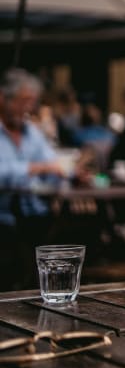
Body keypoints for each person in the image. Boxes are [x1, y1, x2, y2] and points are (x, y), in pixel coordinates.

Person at [0, 69, 66, 289]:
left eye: (31, 103)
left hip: (36, 217)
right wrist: (36, 168)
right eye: (23, 101)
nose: (27, 108)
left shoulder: (31, 132)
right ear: (2, 98)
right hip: (5, 219)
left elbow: (52, 164)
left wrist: (68, 174)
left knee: (77, 235)